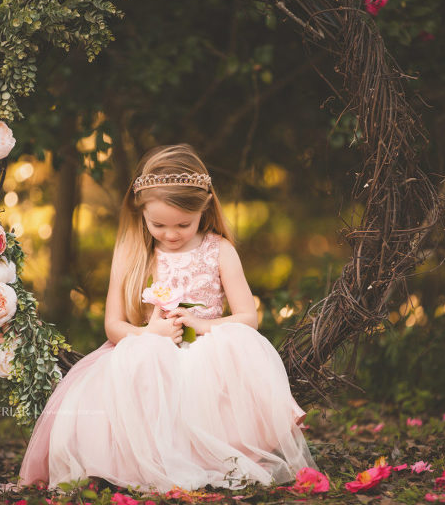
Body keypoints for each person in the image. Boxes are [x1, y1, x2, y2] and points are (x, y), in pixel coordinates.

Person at [17, 143, 317, 493]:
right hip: (152, 348)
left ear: (204, 209)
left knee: (231, 351)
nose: (171, 234)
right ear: (140, 212)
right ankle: (152, 460)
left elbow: (248, 316)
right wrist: (150, 333)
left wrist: (204, 326)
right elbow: (113, 325)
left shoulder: (220, 250)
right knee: (143, 363)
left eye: (183, 225)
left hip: (207, 352)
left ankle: (212, 457)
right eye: (158, 224)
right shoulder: (133, 253)